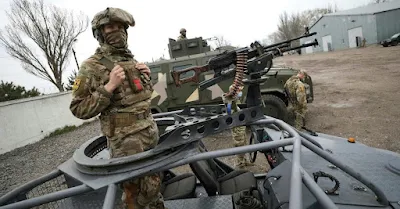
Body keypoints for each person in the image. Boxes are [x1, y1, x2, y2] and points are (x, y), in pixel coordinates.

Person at [69, 7, 166, 209]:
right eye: (110, 27)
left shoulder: (129, 60)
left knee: (154, 187)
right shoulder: (91, 66)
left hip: (149, 132)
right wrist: (109, 87)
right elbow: (78, 108)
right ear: (99, 33)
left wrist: (147, 77)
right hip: (125, 142)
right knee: (134, 195)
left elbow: (141, 97)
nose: (117, 31)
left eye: (121, 26)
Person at [224, 85, 253, 168]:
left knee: (244, 144)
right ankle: (240, 164)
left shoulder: (236, 101)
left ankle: (245, 161)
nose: (240, 93)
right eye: (238, 91)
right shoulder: (230, 102)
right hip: (237, 129)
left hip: (241, 127)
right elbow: (229, 112)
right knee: (240, 146)